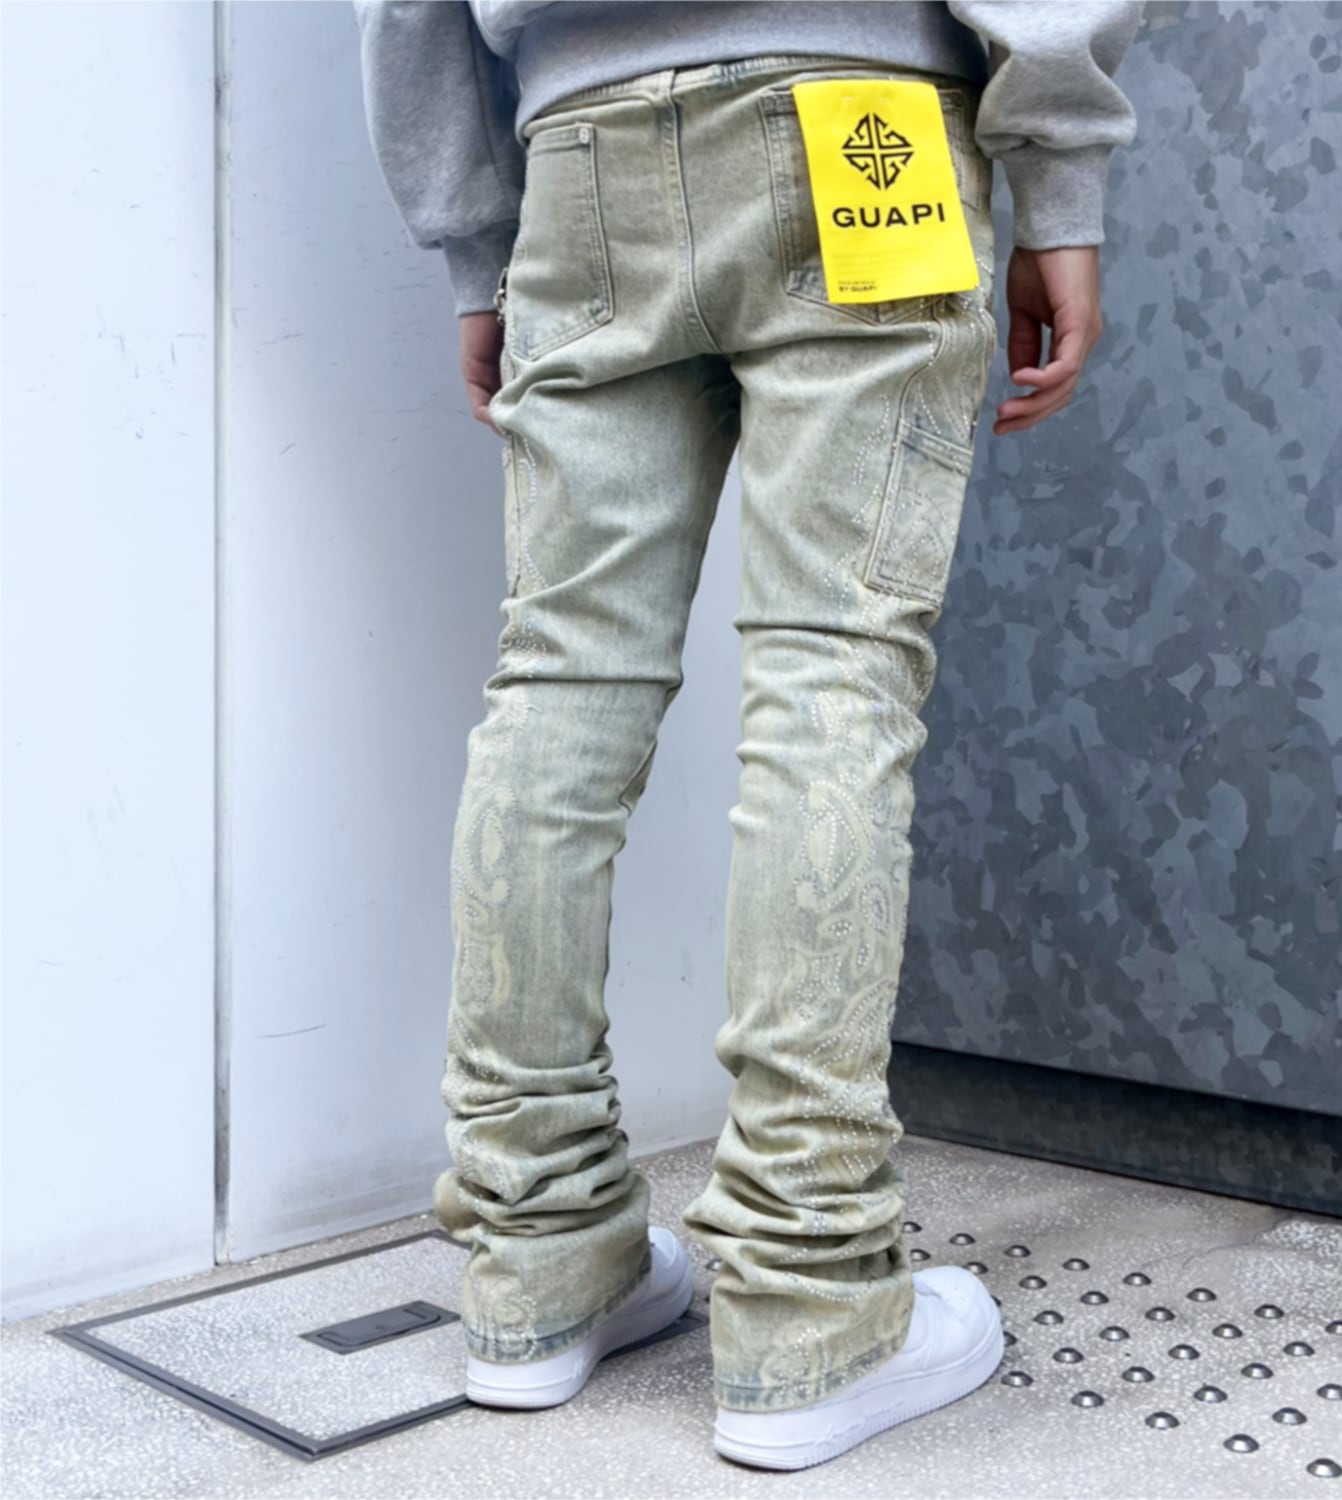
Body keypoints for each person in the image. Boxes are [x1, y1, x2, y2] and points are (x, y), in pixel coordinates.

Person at [355, 0, 1143, 1471]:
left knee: (558, 684)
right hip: (865, 115)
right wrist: (1061, 175)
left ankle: (539, 1257)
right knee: (835, 673)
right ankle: (809, 1297)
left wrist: (479, 242)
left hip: (580, 147)